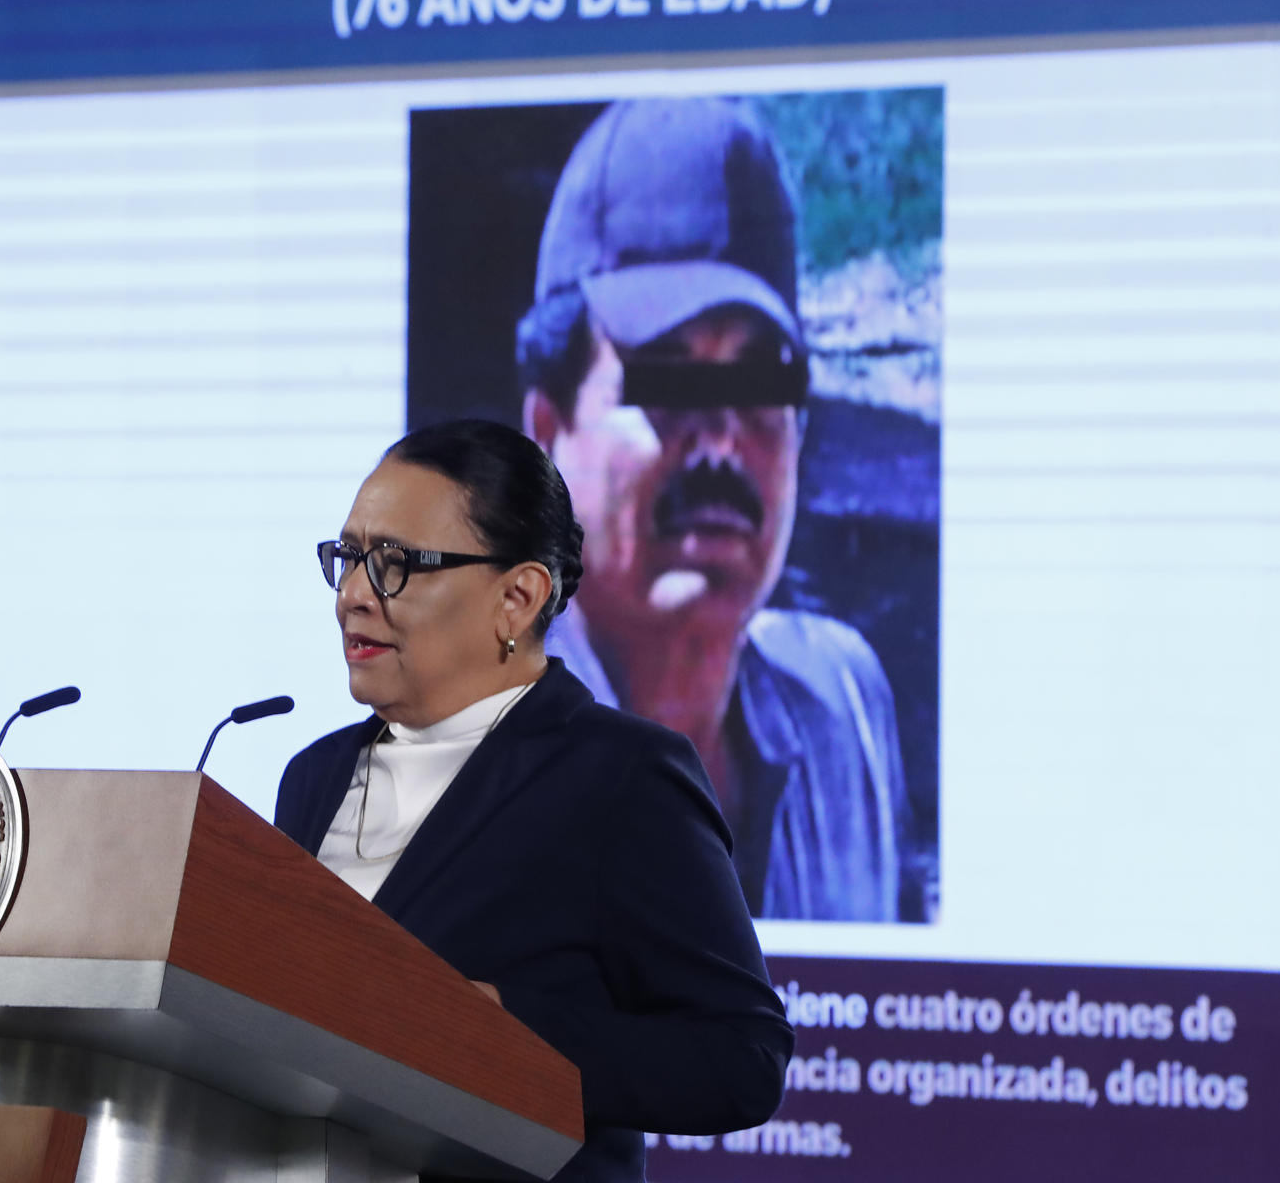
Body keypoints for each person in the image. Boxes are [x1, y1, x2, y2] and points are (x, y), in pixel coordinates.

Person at [274, 419, 794, 1183]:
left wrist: (503, 1030)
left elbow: (741, 1058)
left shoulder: (620, 778)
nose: (353, 594)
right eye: (348, 558)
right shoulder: (311, 777)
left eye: (394, 564)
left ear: (517, 598)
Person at [517, 96, 909, 922]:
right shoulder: (468, 775)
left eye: (759, 377)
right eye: (667, 377)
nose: (722, 444)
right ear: (548, 435)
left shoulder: (847, 714)